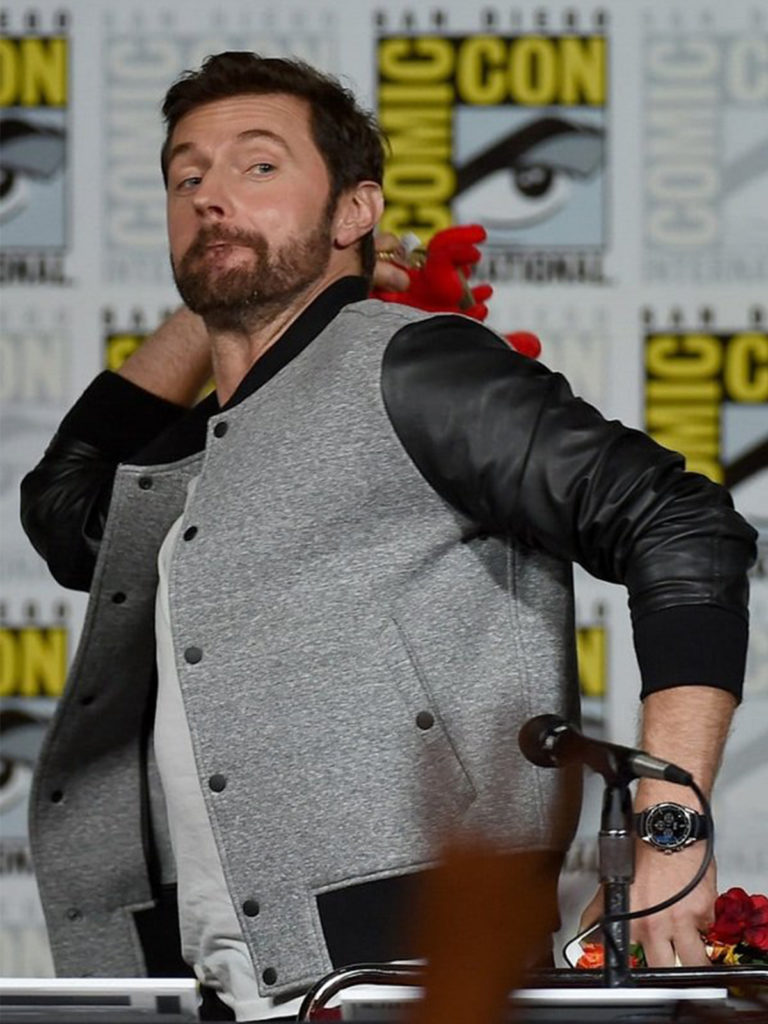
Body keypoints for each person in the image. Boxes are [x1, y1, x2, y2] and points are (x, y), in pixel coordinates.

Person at [20, 52, 756, 1021]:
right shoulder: (209, 444)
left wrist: (669, 827)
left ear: (356, 209)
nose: (209, 197)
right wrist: (225, 284)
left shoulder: (415, 367)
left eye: (258, 166)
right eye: (186, 177)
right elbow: (64, 509)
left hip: (409, 976)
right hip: (217, 985)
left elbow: (682, 519)